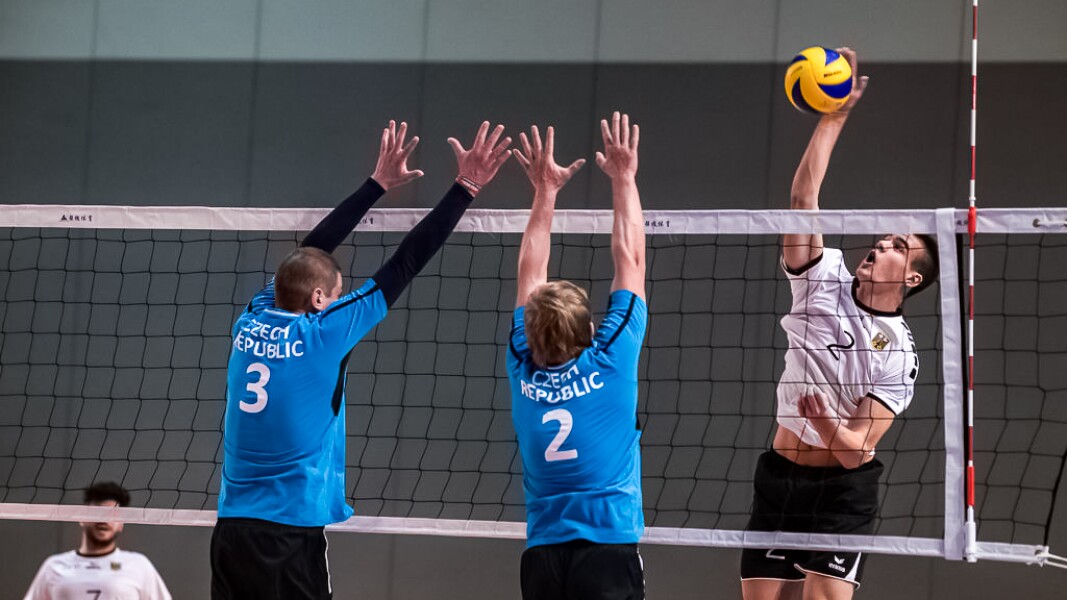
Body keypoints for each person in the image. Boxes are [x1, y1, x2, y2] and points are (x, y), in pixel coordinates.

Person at [211, 120, 512, 600]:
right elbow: (405, 264)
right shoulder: (324, 332)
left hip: (231, 531)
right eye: (334, 293)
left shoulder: (252, 317)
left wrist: (376, 185)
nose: (338, 298)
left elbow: (309, 252)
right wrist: (466, 186)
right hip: (292, 531)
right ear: (316, 300)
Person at [740, 49, 940, 600]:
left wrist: (823, 422)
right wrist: (834, 117)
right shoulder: (820, 275)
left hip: (841, 489)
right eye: (885, 237)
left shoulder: (898, 352)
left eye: (898, 246)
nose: (880, 243)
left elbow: (857, 450)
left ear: (913, 279)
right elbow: (804, 197)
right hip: (780, 475)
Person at [506, 113, 647, 600]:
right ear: (591, 332)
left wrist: (545, 192)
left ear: (529, 331)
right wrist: (623, 178)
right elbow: (630, 256)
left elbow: (530, 268)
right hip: (607, 549)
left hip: (543, 556)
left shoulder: (521, 366)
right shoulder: (609, 360)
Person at [23, 482, 172, 600]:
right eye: (98, 512)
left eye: (113, 514)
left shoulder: (139, 565)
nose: (104, 519)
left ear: (121, 524)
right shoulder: (54, 566)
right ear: (81, 517)